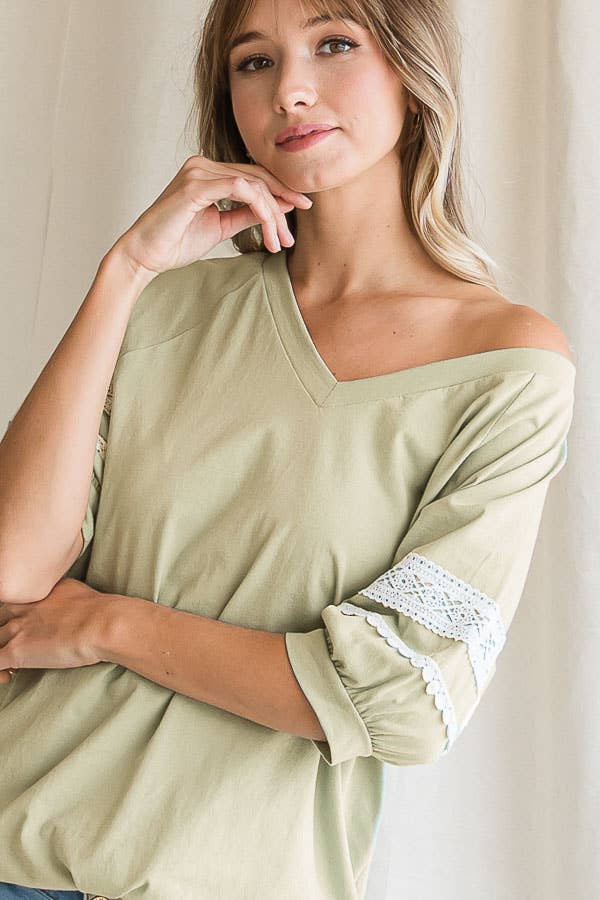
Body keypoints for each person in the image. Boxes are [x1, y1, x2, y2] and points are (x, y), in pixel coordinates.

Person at [0, 0, 576, 897]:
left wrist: (108, 625)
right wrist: (127, 271)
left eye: (334, 44)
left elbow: (404, 701)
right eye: (254, 62)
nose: (291, 92)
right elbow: (12, 571)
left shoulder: (504, 364)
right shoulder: (161, 308)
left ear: (413, 76)